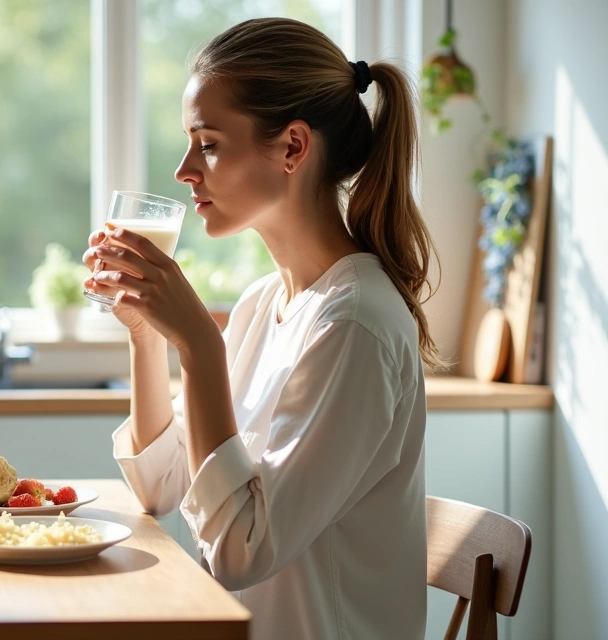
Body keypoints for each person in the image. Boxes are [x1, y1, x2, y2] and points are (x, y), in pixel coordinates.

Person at [83, 17, 440, 640]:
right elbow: (162, 486)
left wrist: (197, 345)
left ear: (293, 147)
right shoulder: (261, 303)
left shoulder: (354, 324)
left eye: (209, 143)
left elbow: (241, 553)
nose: (184, 170)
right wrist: (146, 335)